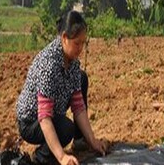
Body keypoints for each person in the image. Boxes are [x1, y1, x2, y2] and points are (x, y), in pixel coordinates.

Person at [16, 11, 108, 165]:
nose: (80, 48)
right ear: (64, 38)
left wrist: (93, 141)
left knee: (81, 77)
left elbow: (78, 107)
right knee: (66, 129)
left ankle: (80, 140)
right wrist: (62, 157)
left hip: (51, 111)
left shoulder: (72, 62)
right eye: (76, 43)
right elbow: (44, 118)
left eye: (83, 43)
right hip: (31, 121)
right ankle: (40, 158)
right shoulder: (49, 65)